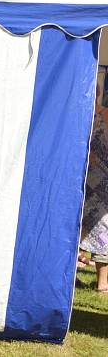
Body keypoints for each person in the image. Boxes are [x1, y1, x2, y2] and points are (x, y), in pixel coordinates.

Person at [79, 83, 108, 292]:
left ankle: (70, 277)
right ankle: (102, 283)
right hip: (99, 183)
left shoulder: (81, 116)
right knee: (102, 231)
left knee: (79, 228)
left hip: (85, 180)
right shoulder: (99, 116)